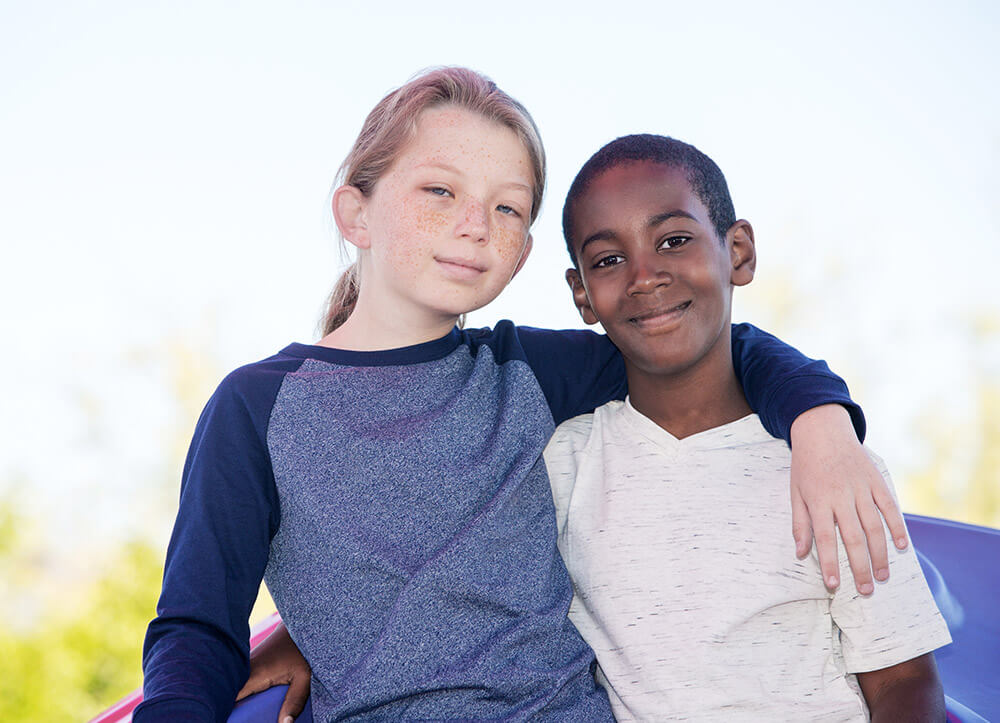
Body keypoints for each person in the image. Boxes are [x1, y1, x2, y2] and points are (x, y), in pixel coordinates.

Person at [136, 68, 903, 722]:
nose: (475, 226)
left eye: (507, 207)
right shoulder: (257, 408)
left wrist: (821, 423)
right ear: (356, 212)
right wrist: (306, 628)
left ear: (524, 250)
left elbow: (711, 345)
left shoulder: (525, 371)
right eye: (441, 190)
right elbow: (196, 629)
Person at [545, 133, 952, 720]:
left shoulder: (831, 467)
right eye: (608, 260)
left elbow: (903, 683)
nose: (644, 275)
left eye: (674, 240)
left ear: (737, 251)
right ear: (582, 293)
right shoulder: (562, 467)